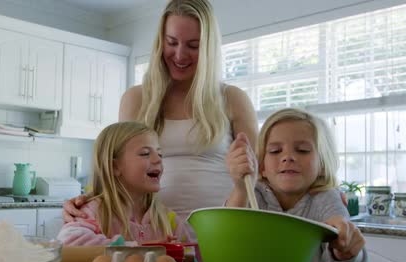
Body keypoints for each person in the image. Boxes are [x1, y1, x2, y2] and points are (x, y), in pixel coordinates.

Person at [63, 0, 258, 228]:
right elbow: (119, 170)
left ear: (208, 49)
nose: (180, 55)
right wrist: (87, 201)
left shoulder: (233, 99)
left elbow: (255, 176)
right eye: (172, 42)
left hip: (222, 231)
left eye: (193, 46)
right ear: (160, 42)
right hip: (152, 233)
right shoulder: (136, 99)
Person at [226, 108, 368, 262]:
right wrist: (240, 189)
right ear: (262, 165)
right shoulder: (251, 194)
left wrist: (346, 252)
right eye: (275, 151)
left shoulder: (326, 198)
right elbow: (226, 244)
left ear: (322, 163)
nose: (287, 157)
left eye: (302, 150)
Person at [57, 122, 192, 246]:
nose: (158, 159)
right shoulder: (94, 212)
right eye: (145, 153)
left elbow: (190, 257)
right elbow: (69, 241)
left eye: (160, 154)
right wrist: (136, 249)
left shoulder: (169, 220)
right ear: (115, 166)